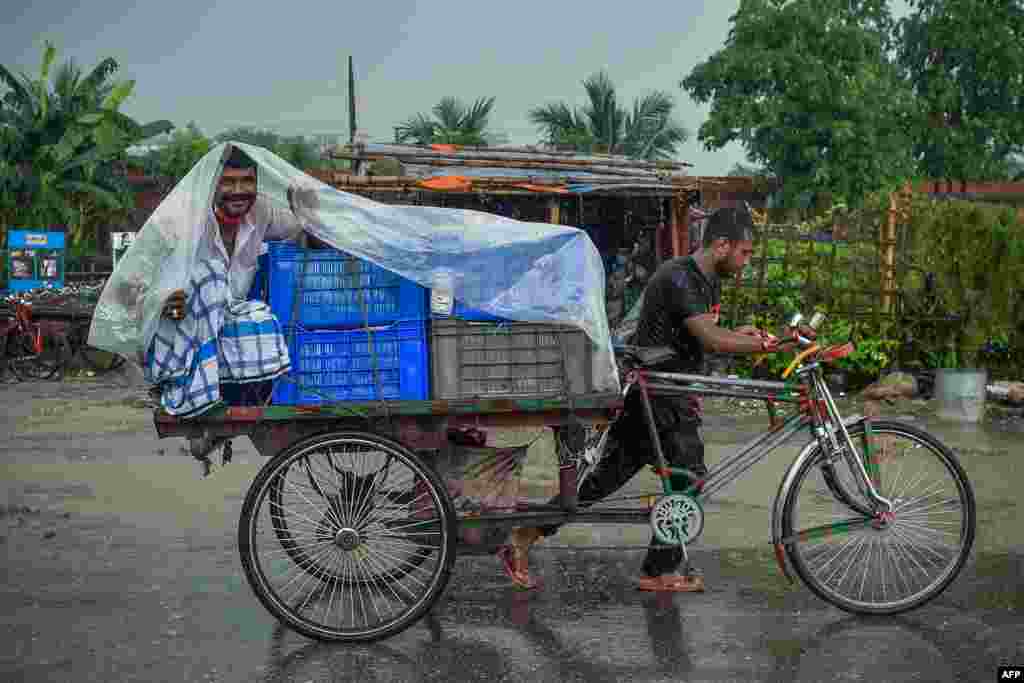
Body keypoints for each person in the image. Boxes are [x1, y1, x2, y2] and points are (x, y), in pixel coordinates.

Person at [498, 206, 803, 592]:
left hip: (658, 392)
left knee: (604, 480)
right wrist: (760, 345)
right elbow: (710, 339)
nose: (746, 262)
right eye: (745, 252)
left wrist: (741, 334)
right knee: (688, 477)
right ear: (722, 245)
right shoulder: (679, 277)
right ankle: (659, 570)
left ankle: (525, 535)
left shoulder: (706, 279)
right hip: (660, 396)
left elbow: (700, 331)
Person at [145, 145, 318, 456]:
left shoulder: (262, 212)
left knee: (266, 318)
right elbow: (143, 274)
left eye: (247, 181)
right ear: (212, 184)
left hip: (230, 323)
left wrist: (308, 212)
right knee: (207, 277)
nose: (239, 191)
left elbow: (304, 233)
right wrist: (165, 297)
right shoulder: (184, 218)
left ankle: (234, 398)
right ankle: (195, 395)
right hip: (183, 328)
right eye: (229, 182)